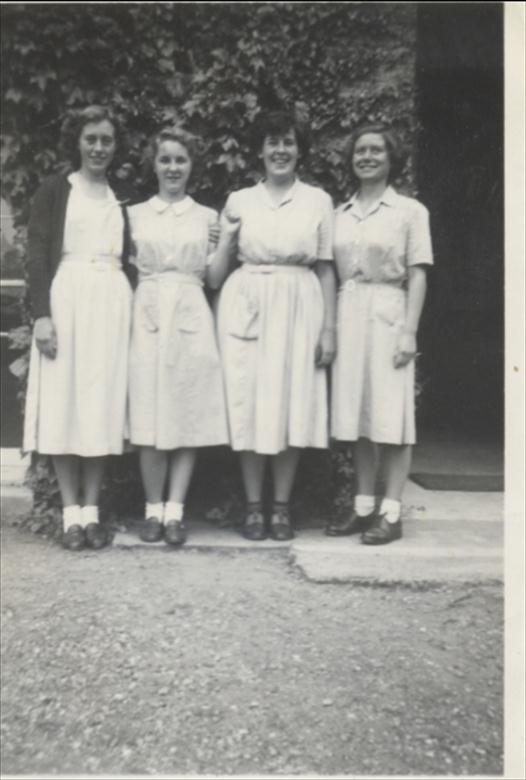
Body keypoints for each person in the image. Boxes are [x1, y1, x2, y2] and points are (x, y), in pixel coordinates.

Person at [210, 110, 337, 542]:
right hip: (246, 304)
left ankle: (281, 506)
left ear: (300, 150)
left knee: (291, 403)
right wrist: (225, 241)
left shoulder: (318, 200)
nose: (280, 150)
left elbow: (325, 268)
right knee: (249, 403)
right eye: (272, 142)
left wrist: (329, 329)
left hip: (300, 305)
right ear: (260, 150)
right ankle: (252, 506)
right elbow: (218, 270)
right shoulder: (239, 200)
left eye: (288, 142)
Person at [23, 105, 136, 551]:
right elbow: (36, 256)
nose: (98, 147)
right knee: (65, 405)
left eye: (106, 140)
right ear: (77, 142)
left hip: (111, 306)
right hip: (66, 302)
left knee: (101, 405)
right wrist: (42, 315)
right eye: (91, 138)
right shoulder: (55, 190)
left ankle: (92, 512)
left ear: (115, 146)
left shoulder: (121, 195)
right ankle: (70, 515)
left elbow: (136, 255)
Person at [326, 124, 433, 544]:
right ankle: (362, 507)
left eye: (376, 151)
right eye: (360, 151)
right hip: (349, 310)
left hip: (389, 310)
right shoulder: (340, 213)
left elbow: (419, 272)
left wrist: (410, 330)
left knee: (392, 416)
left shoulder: (410, 211)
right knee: (356, 414)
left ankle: (391, 512)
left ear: (391, 159)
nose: (367, 157)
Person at [128, 127, 229, 546]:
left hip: (190, 312)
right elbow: (126, 271)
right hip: (148, 311)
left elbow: (216, 278)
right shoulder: (132, 214)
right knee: (149, 411)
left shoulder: (208, 218)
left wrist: (228, 241)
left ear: (192, 167)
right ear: (154, 164)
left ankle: (175, 510)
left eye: (181, 160)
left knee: (186, 410)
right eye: (165, 159)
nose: (173, 167)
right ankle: (152, 509)